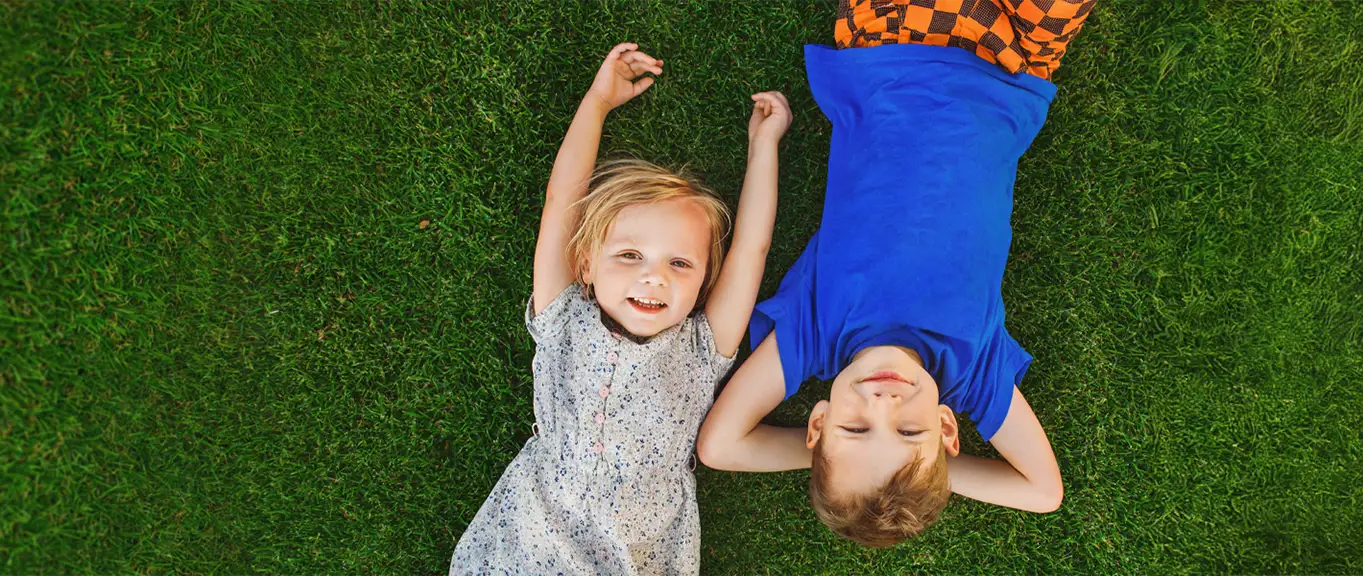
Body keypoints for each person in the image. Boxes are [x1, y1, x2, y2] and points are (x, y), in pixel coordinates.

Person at [696, 0, 1096, 548]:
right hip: (1012, 65)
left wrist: (867, 456)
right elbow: (1044, 492)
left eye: (854, 428)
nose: (883, 407)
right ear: (947, 428)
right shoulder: (972, 370)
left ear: (817, 425)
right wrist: (919, 474)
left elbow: (719, 447)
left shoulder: (815, 333)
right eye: (910, 432)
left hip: (893, 33)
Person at [450, 43, 791, 574]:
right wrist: (598, 101)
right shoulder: (563, 314)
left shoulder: (703, 347)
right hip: (537, 533)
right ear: (584, 264)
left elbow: (751, 249)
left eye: (680, 264)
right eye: (629, 256)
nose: (653, 275)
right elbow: (562, 201)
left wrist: (763, 147)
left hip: (639, 551)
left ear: (704, 285)